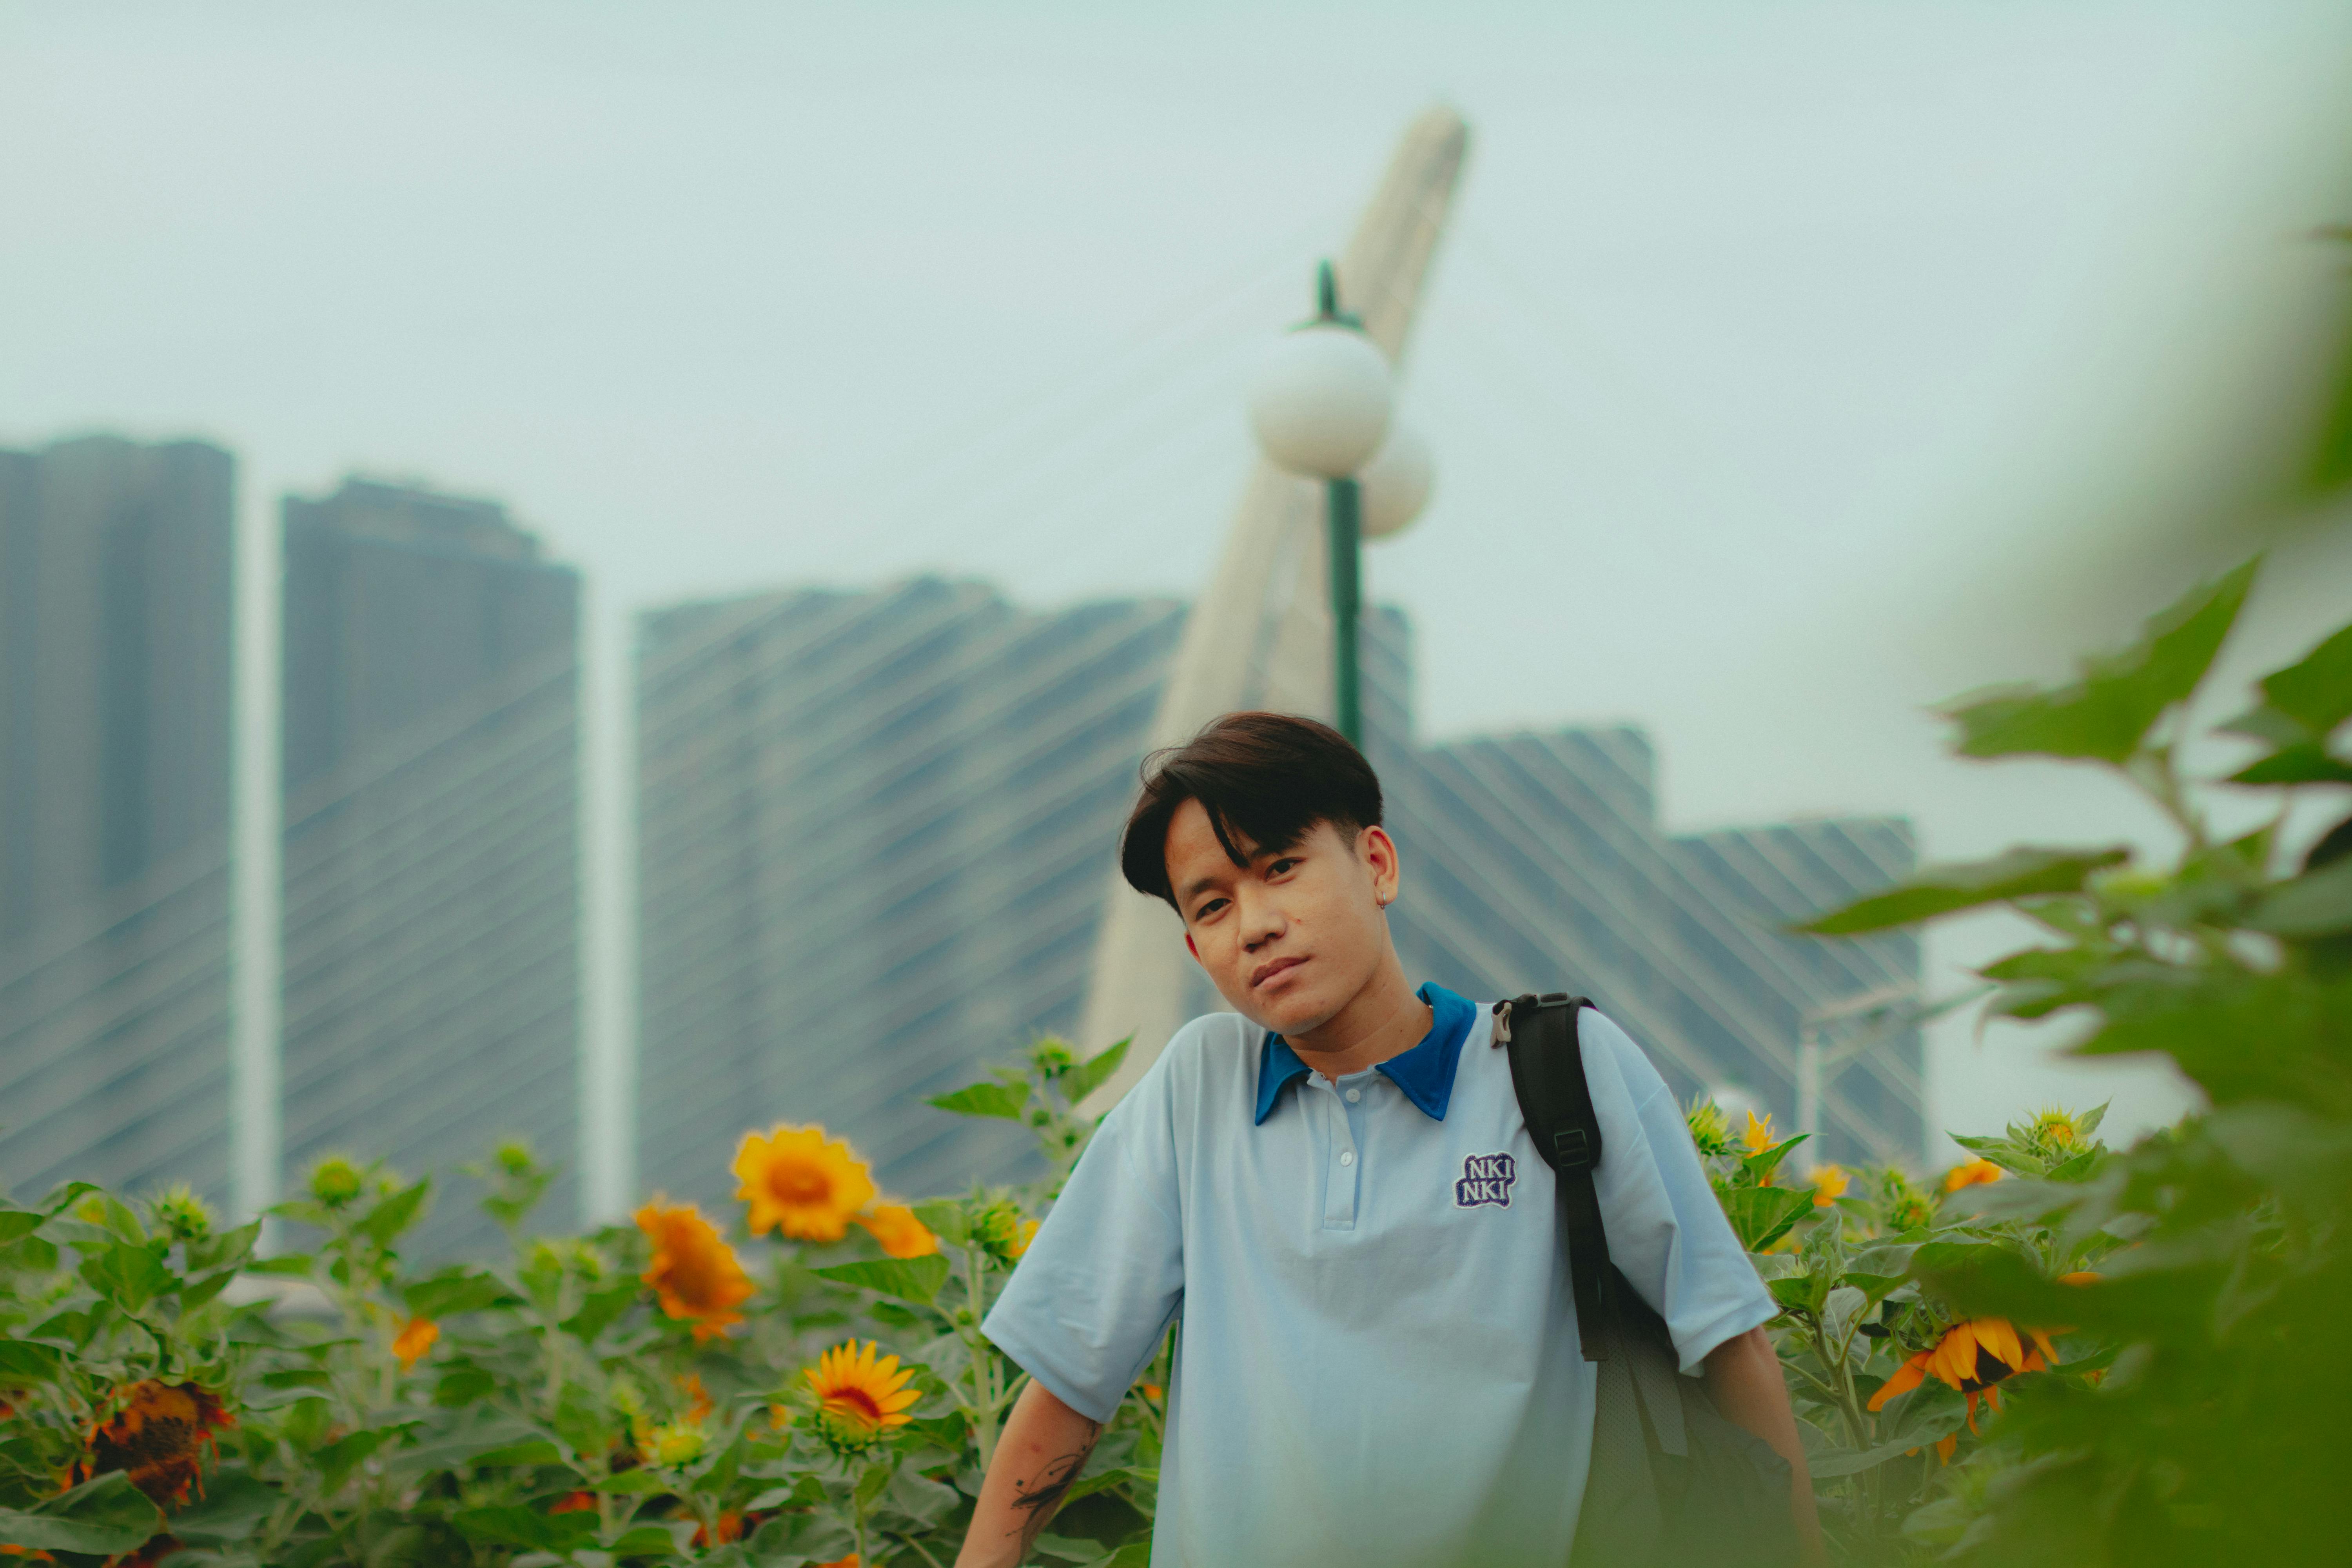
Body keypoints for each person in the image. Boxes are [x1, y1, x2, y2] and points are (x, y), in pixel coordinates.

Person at [955, 711, 1822, 1568]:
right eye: (1214, 904)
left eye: (1282, 866)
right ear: (1195, 947)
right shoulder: (1196, 1090)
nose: (1254, 923)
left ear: (1376, 863)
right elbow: (1072, 1381)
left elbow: (1725, 1338)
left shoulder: (1558, 1068)